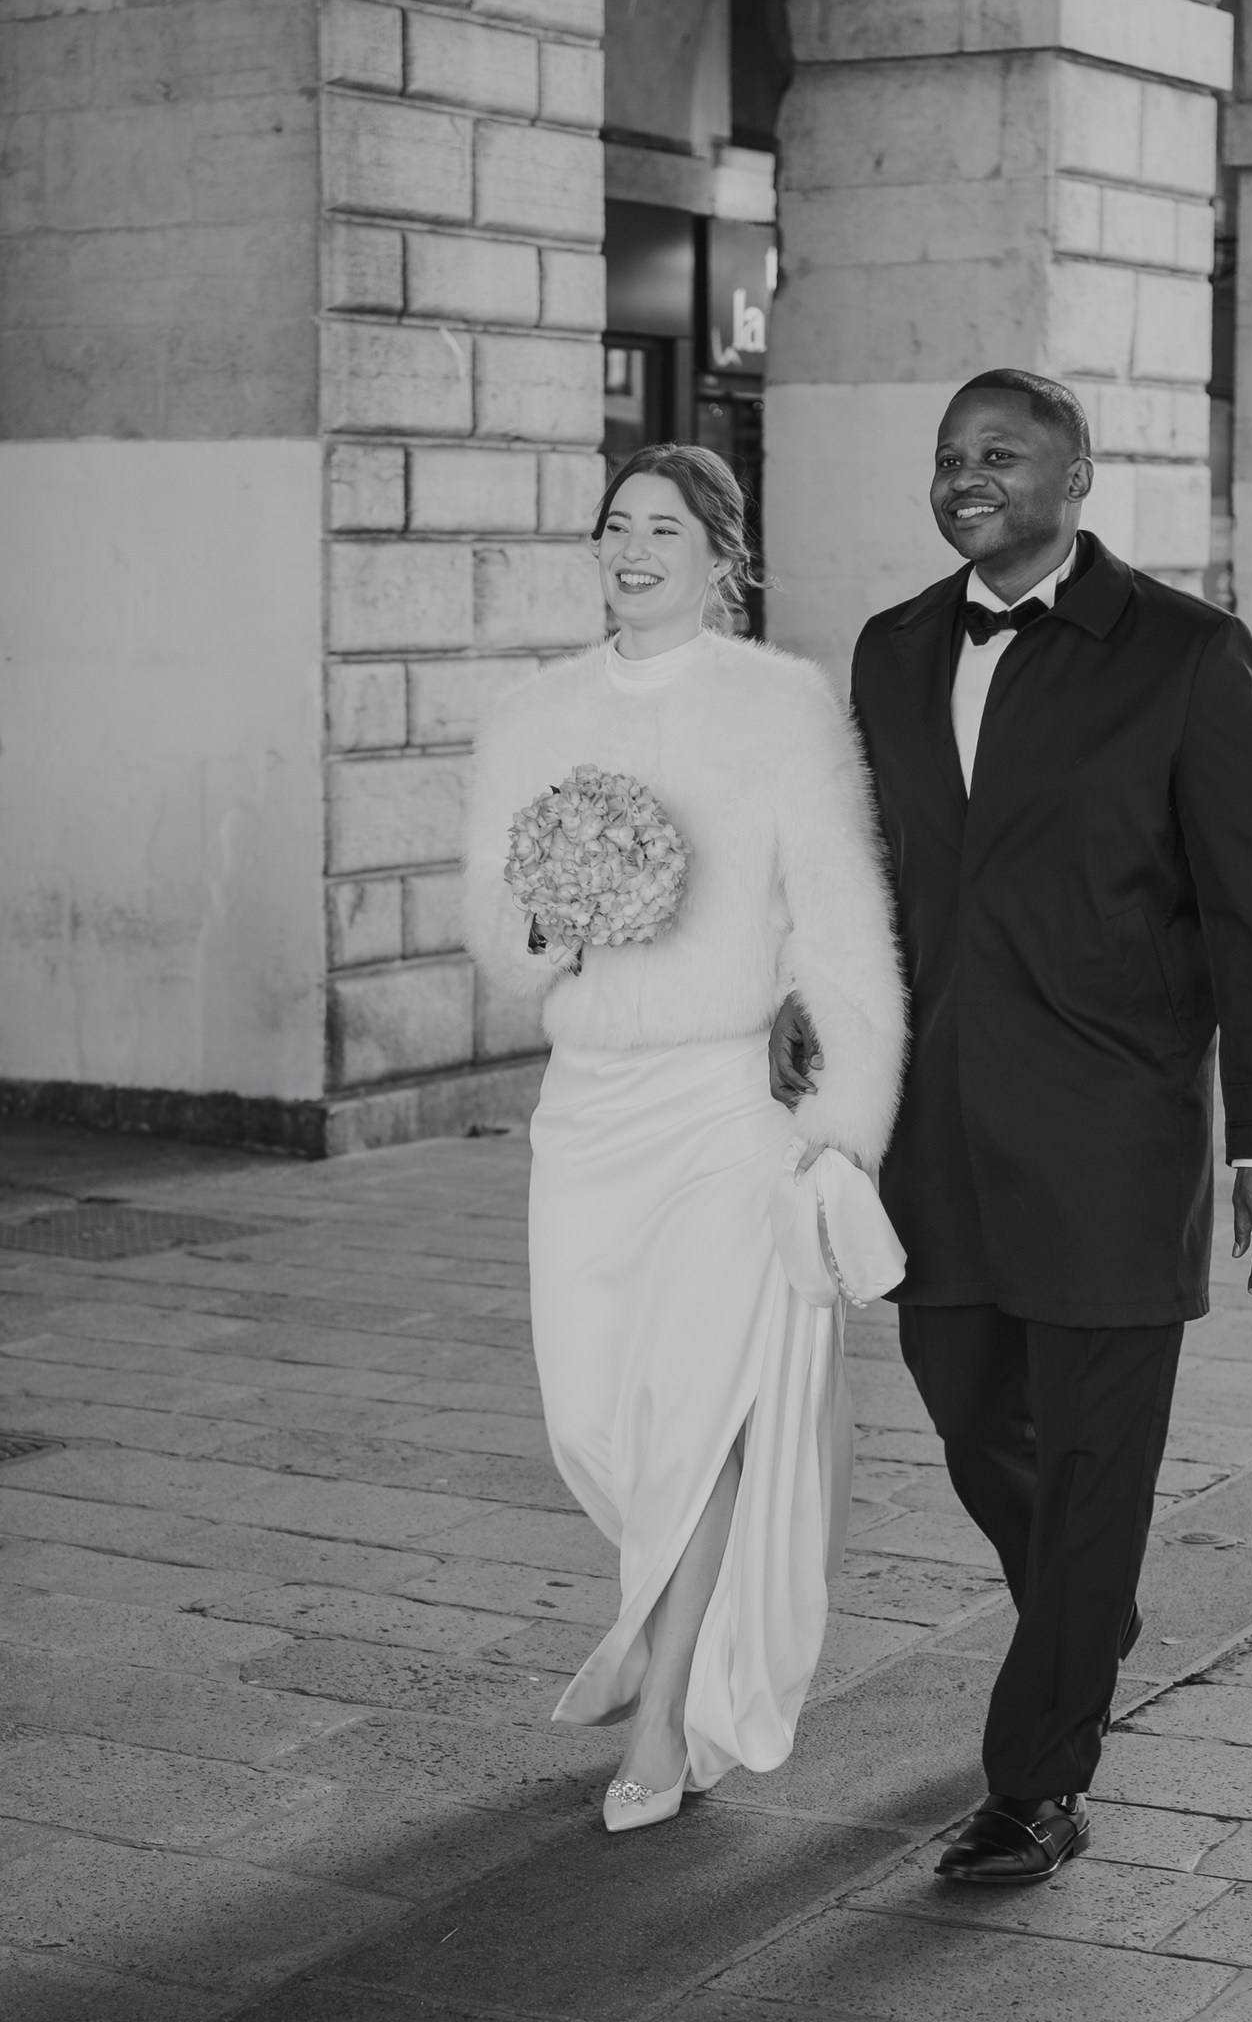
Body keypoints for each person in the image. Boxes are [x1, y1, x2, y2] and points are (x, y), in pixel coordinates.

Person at [772, 369, 1252, 1885]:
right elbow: (862, 871)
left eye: (1002, 454)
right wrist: (800, 989)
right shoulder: (893, 648)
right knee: (969, 1415)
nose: (967, 476)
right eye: (950, 455)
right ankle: (1090, 1603)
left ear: (1076, 478)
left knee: (1093, 1464)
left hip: (1114, 1136)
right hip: (938, 1132)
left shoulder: (1187, 654)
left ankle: (1037, 1781)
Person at [464, 445, 905, 1834]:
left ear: (722, 557)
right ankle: (665, 1632)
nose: (633, 549)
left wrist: (839, 1122)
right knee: (594, 1416)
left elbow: (838, 914)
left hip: (725, 1103)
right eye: (616, 526)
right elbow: (495, 932)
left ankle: (664, 1718)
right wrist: (559, 908)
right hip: (591, 1102)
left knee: (704, 1407)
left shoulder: (781, 705)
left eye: (665, 528)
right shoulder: (532, 714)